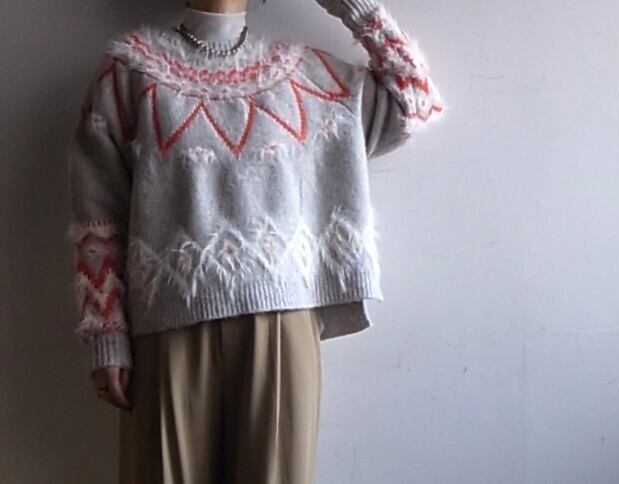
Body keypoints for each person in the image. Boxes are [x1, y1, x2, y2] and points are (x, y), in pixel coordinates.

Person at [65, 0, 443, 481]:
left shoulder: (309, 76)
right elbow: (98, 214)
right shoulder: (129, 73)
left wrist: (355, 8)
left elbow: (416, 99)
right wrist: (106, 335)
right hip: (165, 326)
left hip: (283, 323)